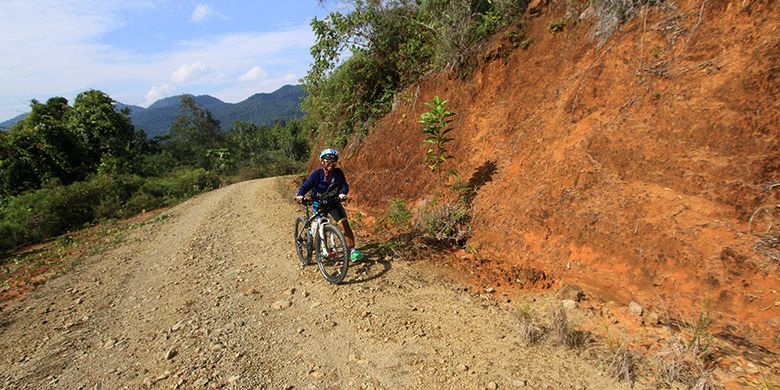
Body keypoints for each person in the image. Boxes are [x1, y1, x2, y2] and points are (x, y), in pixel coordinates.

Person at [296, 148, 364, 262]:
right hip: (318, 203)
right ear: (322, 162)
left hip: (333, 202)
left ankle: (352, 251)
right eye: (328, 161)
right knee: (320, 226)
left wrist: (343, 193)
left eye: (334, 161)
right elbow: (305, 186)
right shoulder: (317, 175)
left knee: (344, 224)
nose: (331, 164)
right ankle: (323, 250)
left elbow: (344, 186)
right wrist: (300, 195)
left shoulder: (338, 173)